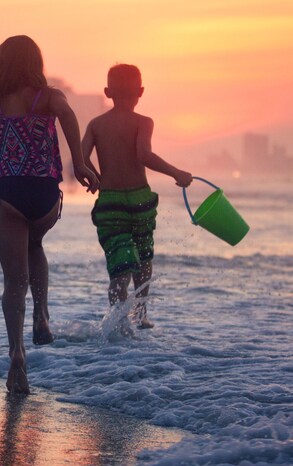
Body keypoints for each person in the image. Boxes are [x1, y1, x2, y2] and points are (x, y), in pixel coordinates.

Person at [0, 35, 99, 395]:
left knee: (13, 280)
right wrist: (80, 162)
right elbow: (69, 116)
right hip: (42, 193)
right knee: (35, 244)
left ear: (1, 63)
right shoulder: (49, 98)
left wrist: (7, 147)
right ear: (36, 62)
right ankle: (41, 314)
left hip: (9, 192)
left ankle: (16, 354)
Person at [82, 64, 192, 330]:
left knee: (120, 266)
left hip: (111, 204)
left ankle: (118, 324)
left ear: (107, 92)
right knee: (144, 258)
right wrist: (176, 172)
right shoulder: (143, 122)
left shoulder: (96, 125)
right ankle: (141, 315)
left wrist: (93, 177)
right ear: (140, 91)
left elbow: (80, 158)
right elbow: (144, 155)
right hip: (140, 201)